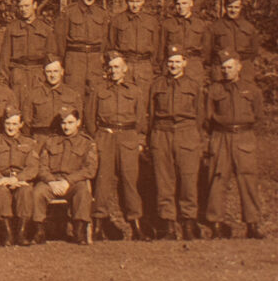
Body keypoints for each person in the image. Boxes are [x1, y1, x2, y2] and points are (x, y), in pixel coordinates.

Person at [86, 51, 150, 241]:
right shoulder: (99, 90)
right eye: (110, 67)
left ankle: (135, 226)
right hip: (105, 137)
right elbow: (90, 118)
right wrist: (96, 139)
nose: (114, 71)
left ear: (125, 69)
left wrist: (138, 141)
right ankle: (98, 226)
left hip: (128, 138)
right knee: (102, 183)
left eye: (117, 67)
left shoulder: (135, 91)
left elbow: (141, 120)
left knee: (130, 182)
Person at [204, 50, 265, 240]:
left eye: (230, 67)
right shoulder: (214, 90)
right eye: (223, 68)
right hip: (221, 137)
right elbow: (207, 118)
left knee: (248, 181)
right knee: (218, 180)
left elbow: (259, 117)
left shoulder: (252, 89)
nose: (226, 71)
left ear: (239, 67)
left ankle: (252, 225)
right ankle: (215, 224)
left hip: (244, 137)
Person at [149, 45, 204, 241]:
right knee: (164, 181)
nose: (173, 65)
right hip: (162, 133)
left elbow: (200, 115)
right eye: (170, 61)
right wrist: (151, 139)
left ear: (185, 63)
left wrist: (196, 138)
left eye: (177, 61)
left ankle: (188, 223)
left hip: (186, 132)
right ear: (166, 64)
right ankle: (168, 226)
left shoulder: (194, 86)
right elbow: (151, 114)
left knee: (188, 181)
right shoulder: (157, 85)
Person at [31, 106, 99, 244]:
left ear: (78, 122)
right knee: (37, 192)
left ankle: (79, 232)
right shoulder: (50, 141)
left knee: (83, 192)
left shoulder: (87, 143)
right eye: (63, 123)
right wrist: (51, 181)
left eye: (70, 122)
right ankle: (39, 231)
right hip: (52, 182)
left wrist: (68, 181)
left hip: (73, 183)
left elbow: (90, 169)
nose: (66, 127)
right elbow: (41, 166)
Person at [0, 106, 38, 246]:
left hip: (20, 180)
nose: (11, 127)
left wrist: (18, 179)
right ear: (3, 124)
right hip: (1, 180)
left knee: (26, 191)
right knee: (1, 192)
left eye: (15, 124)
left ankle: (21, 233)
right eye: (8, 123)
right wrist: (0, 179)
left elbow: (32, 167)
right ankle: (7, 234)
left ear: (21, 125)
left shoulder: (29, 143)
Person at [54, 0, 109, 94]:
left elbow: (105, 38)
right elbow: (60, 38)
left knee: (95, 92)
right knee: (73, 91)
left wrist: (101, 57)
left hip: (94, 59)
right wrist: (62, 60)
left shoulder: (101, 13)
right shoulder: (69, 11)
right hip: (75, 58)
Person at [0, 0, 52, 100]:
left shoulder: (45, 29)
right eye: (21, 6)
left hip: (38, 75)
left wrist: (48, 77)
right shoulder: (12, 28)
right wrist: (6, 79)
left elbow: (51, 56)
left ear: (35, 5)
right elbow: (4, 57)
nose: (23, 9)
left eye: (27, 6)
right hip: (18, 74)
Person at [20, 54, 82, 148]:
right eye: (49, 71)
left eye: (56, 71)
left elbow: (78, 121)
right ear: (43, 73)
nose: (52, 75)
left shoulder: (73, 95)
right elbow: (26, 123)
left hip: (63, 141)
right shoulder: (33, 95)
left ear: (62, 72)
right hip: (39, 141)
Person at [107, 0, 159, 95]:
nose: (134, 5)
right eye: (131, 1)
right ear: (127, 1)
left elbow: (156, 46)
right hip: (125, 63)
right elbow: (111, 45)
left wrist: (152, 66)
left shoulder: (151, 21)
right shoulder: (117, 20)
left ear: (143, 1)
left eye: (138, 1)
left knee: (144, 97)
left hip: (144, 65)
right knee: (124, 96)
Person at [159, 0, 211, 88]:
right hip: (173, 66)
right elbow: (161, 49)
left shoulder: (201, 24)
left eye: (184, 3)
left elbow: (207, 51)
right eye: (178, 4)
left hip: (194, 66)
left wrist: (203, 68)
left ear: (191, 3)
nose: (181, 7)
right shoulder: (167, 24)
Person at [210, 0, 260, 87]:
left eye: (236, 7)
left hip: (244, 68)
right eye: (230, 7)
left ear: (241, 7)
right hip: (222, 69)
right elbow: (208, 52)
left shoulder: (249, 27)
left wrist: (241, 63)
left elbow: (254, 51)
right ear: (225, 7)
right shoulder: (215, 27)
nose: (233, 10)